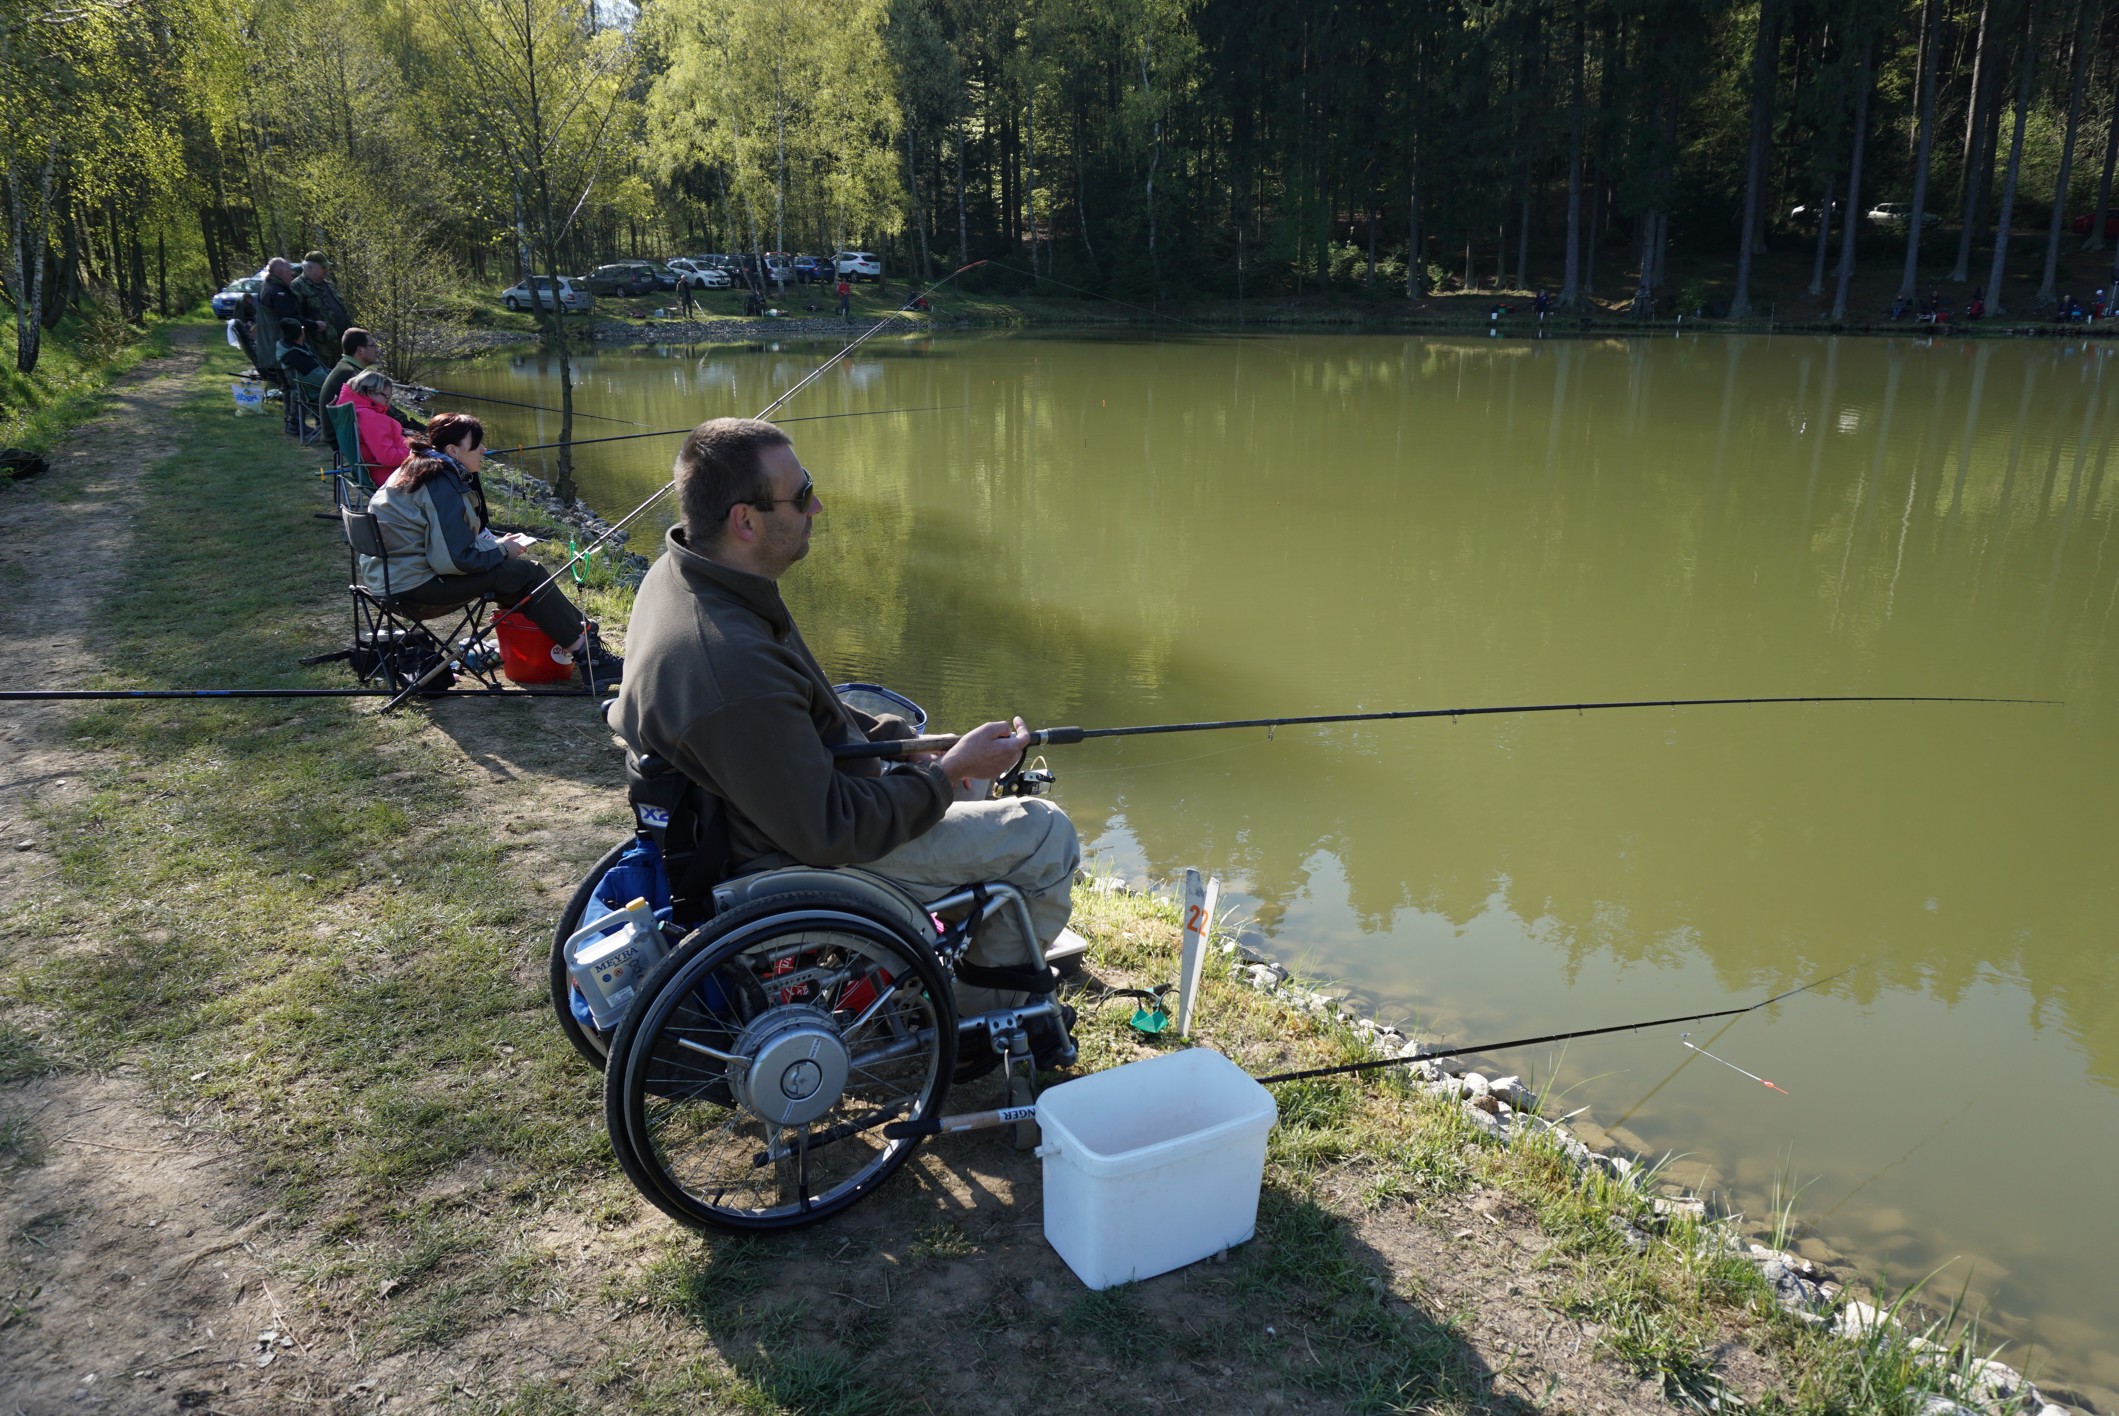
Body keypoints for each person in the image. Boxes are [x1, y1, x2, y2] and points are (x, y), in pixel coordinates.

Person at [613, 417, 1079, 1022]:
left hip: (747, 813)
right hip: (786, 853)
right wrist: (943, 777)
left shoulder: (692, 575)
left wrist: (904, 747)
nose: (819, 507)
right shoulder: (729, 661)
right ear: (745, 520)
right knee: (1045, 834)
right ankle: (978, 1018)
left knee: (970, 784)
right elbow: (827, 831)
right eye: (802, 495)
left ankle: (946, 948)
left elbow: (800, 708)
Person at [360, 411, 622, 685]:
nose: (484, 450)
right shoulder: (439, 483)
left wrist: (494, 546)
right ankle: (589, 654)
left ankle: (576, 642)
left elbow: (441, 543)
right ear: (454, 450)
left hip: (389, 584)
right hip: (417, 590)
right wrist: (501, 551)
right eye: (477, 445)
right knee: (526, 574)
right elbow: (454, 560)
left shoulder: (418, 469)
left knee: (513, 576)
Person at [320, 327, 421, 430]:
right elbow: (381, 407)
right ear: (360, 349)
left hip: (347, 434)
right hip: (347, 441)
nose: (377, 350)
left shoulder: (345, 367)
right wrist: (411, 426)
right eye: (373, 346)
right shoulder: (351, 374)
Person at [335, 368, 413, 485]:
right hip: (392, 475)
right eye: (386, 397)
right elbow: (388, 457)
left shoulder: (353, 410)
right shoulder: (369, 417)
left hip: (378, 471)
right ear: (370, 392)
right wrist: (414, 450)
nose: (389, 402)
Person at [292, 251, 352, 354]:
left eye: (327, 267)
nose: (326, 270)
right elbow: (294, 318)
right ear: (309, 268)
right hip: (320, 348)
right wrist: (313, 326)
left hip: (341, 344)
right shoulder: (297, 287)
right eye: (323, 267)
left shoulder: (329, 285)